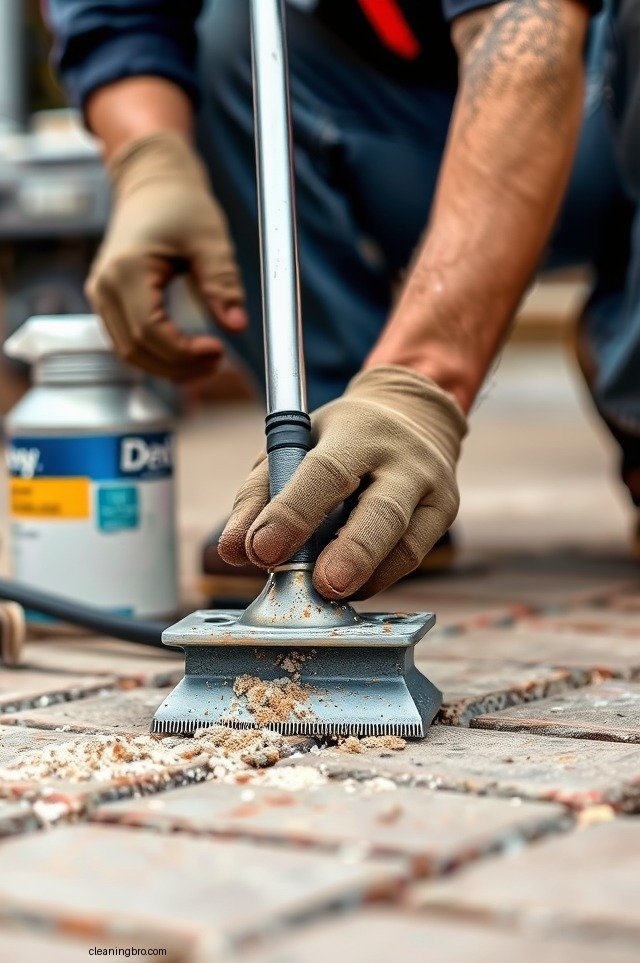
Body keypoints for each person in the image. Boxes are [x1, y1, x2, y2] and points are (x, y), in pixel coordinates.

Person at [46, 0, 639, 601]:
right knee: (244, 29)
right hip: (381, 128)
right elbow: (117, 20)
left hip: (597, 110)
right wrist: (152, 162)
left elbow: (529, 26)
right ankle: (353, 481)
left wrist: (417, 385)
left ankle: (625, 373)